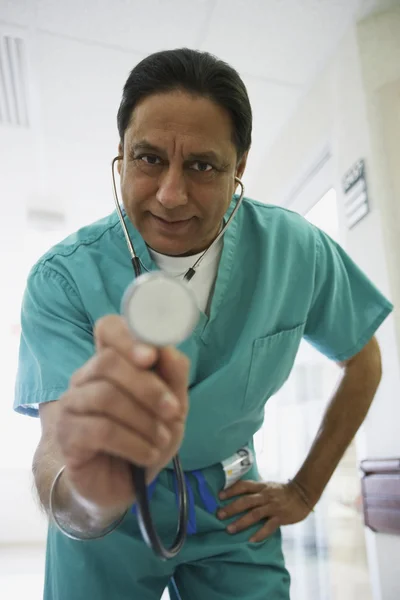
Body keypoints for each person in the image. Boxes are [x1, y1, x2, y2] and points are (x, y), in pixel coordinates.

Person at [14, 48, 392, 600]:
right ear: (120, 154)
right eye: (147, 159)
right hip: (114, 515)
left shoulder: (295, 251)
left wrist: (307, 490)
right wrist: (95, 493)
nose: (171, 194)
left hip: (234, 502)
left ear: (239, 167)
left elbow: (364, 359)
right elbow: (56, 446)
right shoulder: (63, 279)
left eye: (202, 166)